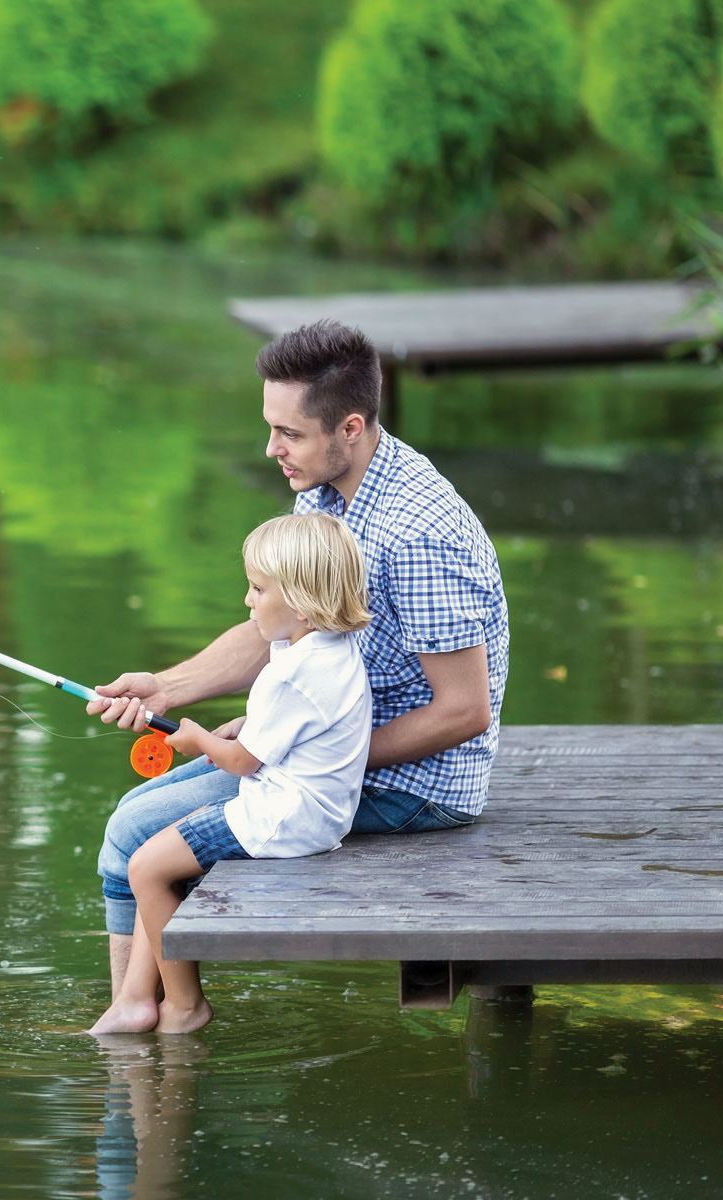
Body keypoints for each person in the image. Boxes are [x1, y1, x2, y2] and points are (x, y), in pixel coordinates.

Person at [86, 319, 510, 1035]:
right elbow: (276, 625)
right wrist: (167, 687)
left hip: (416, 788)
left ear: (349, 426)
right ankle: (149, 1013)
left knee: (131, 834)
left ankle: (147, 1036)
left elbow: (464, 711)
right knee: (140, 820)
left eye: (289, 434)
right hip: (328, 749)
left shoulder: (419, 534)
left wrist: (300, 746)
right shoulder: (326, 490)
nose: (271, 449)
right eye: (269, 427)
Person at [96, 512, 372, 1034]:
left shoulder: (290, 673)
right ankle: (135, 997)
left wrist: (197, 739)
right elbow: (305, 722)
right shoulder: (326, 651)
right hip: (309, 810)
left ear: (301, 598)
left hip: (281, 817)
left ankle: (183, 1006)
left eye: (257, 588)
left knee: (146, 867)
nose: (247, 601)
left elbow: (245, 761)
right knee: (154, 847)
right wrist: (249, 723)